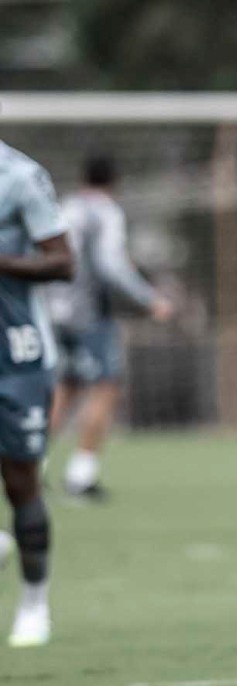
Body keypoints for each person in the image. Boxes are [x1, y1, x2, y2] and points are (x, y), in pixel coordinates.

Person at [46, 154, 173, 500]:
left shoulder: (65, 206)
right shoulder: (105, 211)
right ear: (114, 181)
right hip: (88, 314)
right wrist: (150, 299)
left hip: (54, 310)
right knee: (106, 387)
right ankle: (80, 477)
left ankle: (29, 470)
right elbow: (110, 264)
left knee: (66, 388)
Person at [0, 139, 75, 647]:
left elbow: (64, 263)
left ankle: (34, 604)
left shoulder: (19, 177)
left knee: (20, 481)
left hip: (17, 353)